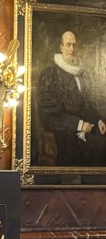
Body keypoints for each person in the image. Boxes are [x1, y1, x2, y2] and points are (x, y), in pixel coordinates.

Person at [37, 31, 106, 166]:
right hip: (64, 129)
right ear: (61, 47)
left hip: (85, 127)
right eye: (68, 45)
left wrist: (98, 120)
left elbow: (86, 104)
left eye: (74, 45)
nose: (72, 49)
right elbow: (49, 115)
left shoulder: (81, 73)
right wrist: (79, 125)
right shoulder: (50, 74)